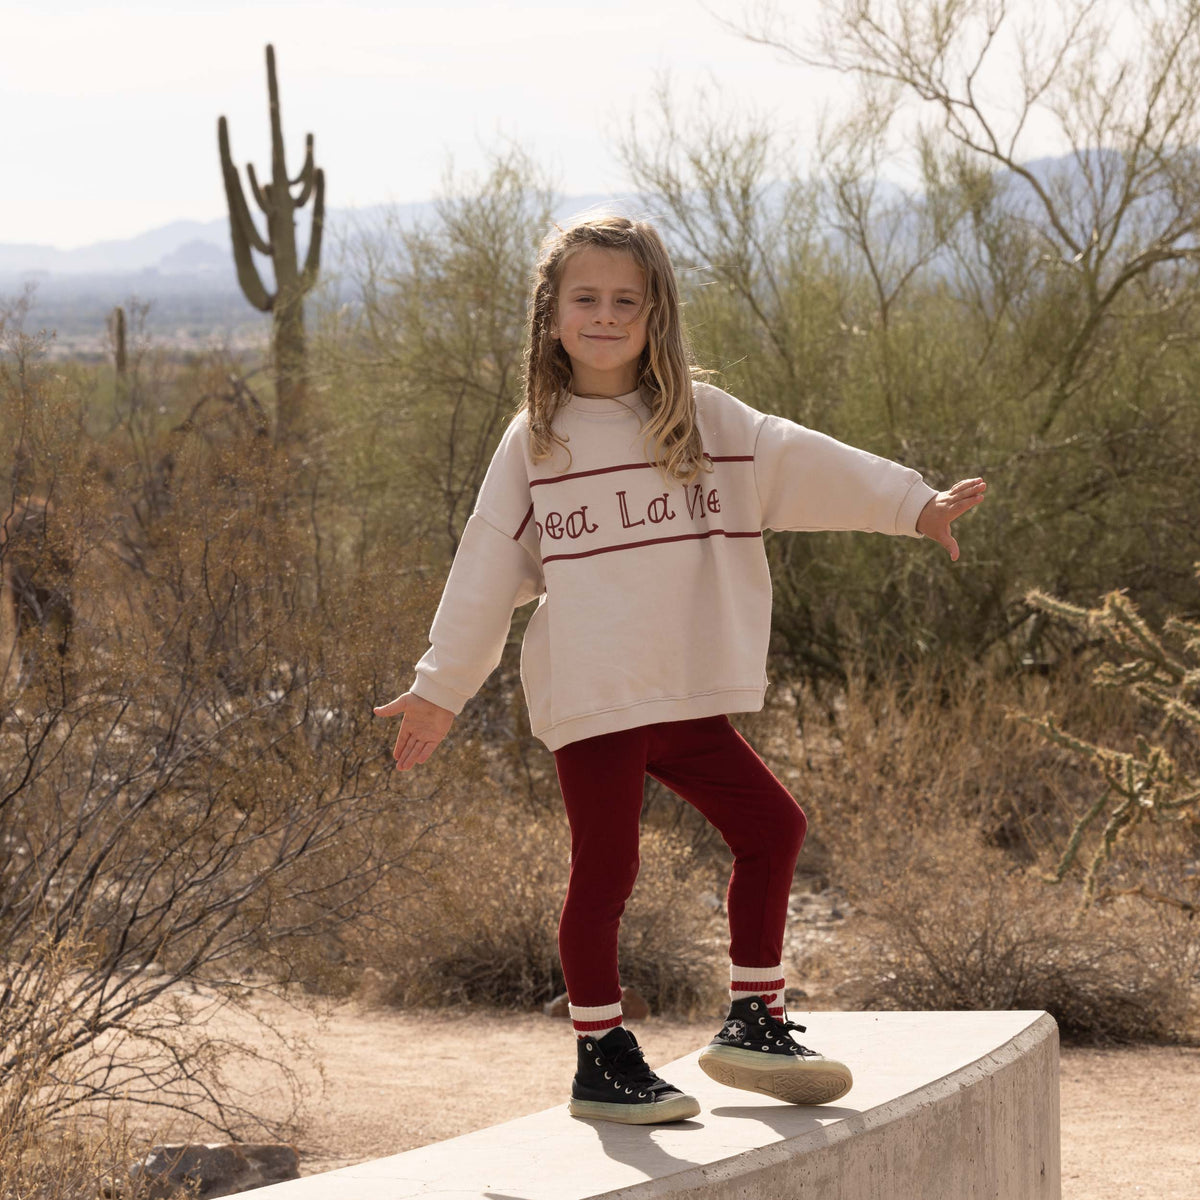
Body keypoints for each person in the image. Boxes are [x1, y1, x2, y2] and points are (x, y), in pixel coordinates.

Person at [374, 214, 986, 1125]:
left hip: (683, 689)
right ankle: (601, 1057)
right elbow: (482, 572)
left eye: (629, 299)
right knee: (608, 870)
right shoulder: (534, 444)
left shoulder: (708, 424)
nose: (608, 315)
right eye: (587, 298)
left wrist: (913, 505)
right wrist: (439, 691)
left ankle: (754, 1018)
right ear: (551, 317)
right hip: (595, 693)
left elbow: (806, 462)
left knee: (774, 827)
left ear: (658, 315)